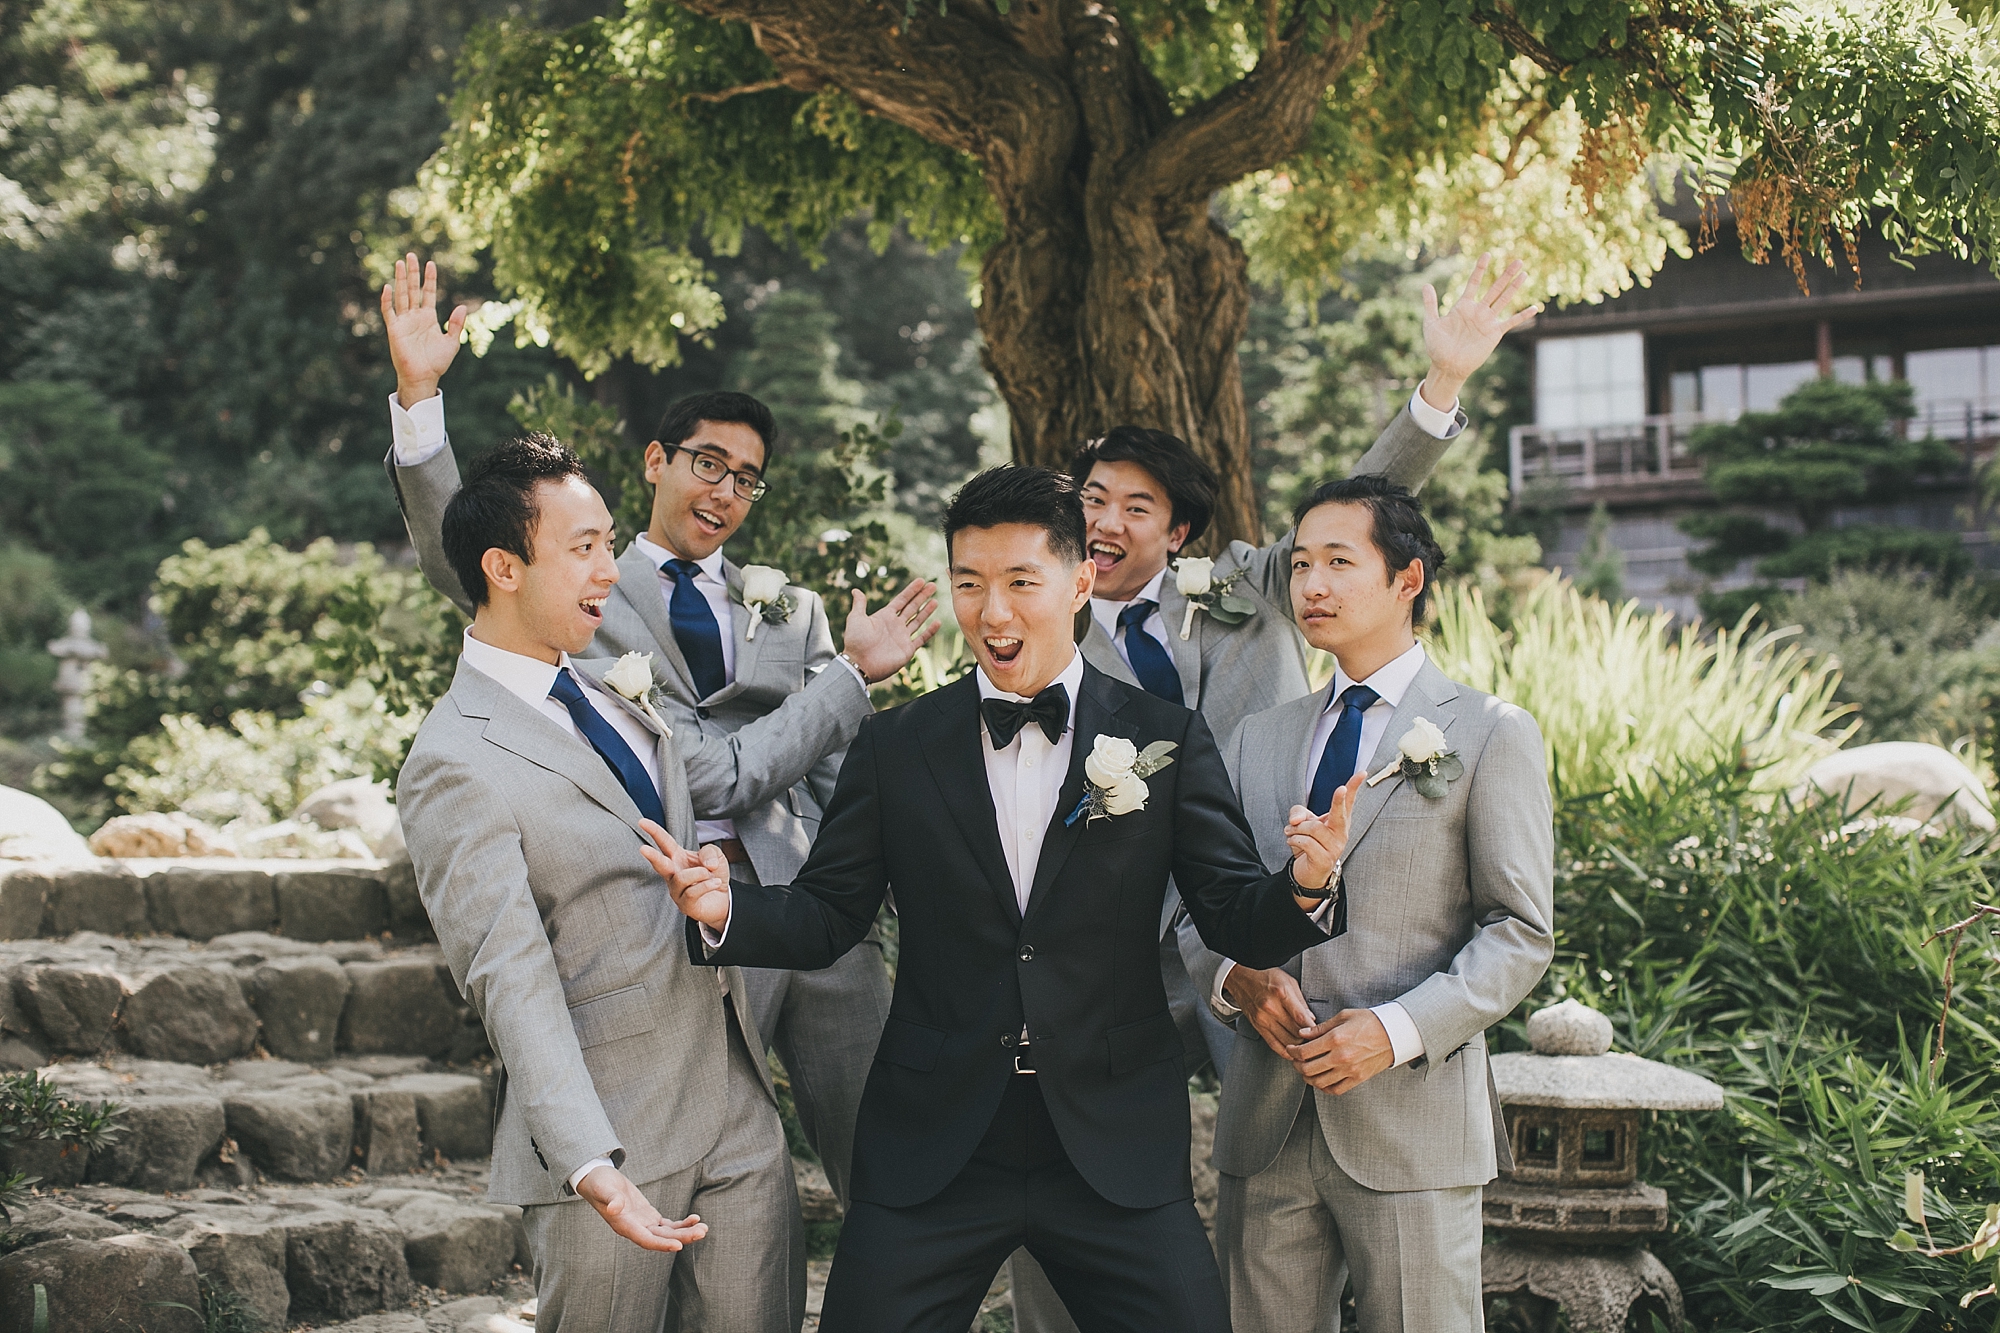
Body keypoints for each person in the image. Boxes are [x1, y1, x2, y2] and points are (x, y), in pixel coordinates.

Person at [644, 465, 1362, 1333]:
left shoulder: (1165, 738)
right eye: (969, 584)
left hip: (1111, 1138)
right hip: (934, 1139)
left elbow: (1233, 914)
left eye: (1021, 582)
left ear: (1080, 582)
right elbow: (830, 912)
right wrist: (726, 909)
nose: (992, 614)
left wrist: (1306, 884)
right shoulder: (895, 745)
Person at [1010, 252, 1540, 1333]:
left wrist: (1440, 386)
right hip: (1116, 950)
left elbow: (1353, 513)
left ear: (1179, 533)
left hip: (1265, 946)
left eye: (1136, 505)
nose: (1106, 520)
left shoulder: (1252, 590)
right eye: (1091, 499)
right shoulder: (1032, 631)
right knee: (1071, 1189)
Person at [379, 254, 936, 1208]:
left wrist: (872, 895)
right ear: (657, 461)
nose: (723, 491)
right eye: (707, 463)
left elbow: (837, 773)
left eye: (747, 480)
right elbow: (462, 549)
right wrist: (419, 400)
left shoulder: (792, 609)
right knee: (706, 1161)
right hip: (667, 919)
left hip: (806, 905)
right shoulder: (578, 587)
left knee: (884, 1151)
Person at [395, 434, 803, 1331]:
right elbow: (509, 975)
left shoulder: (615, 694)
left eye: (609, 543)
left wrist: (710, 890)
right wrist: (588, 1161)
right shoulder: (452, 761)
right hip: (611, 1138)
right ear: (503, 567)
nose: (609, 571)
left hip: (739, 1105)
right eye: (582, 547)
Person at [1183, 474, 1555, 1333]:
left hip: (1413, 1125)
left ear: (1407, 579)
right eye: (1300, 564)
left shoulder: (1489, 731)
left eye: (1339, 562)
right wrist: (1237, 976)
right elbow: (1195, 901)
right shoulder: (1257, 736)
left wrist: (1394, 1030)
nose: (1311, 584)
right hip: (1265, 1123)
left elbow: (1520, 931)